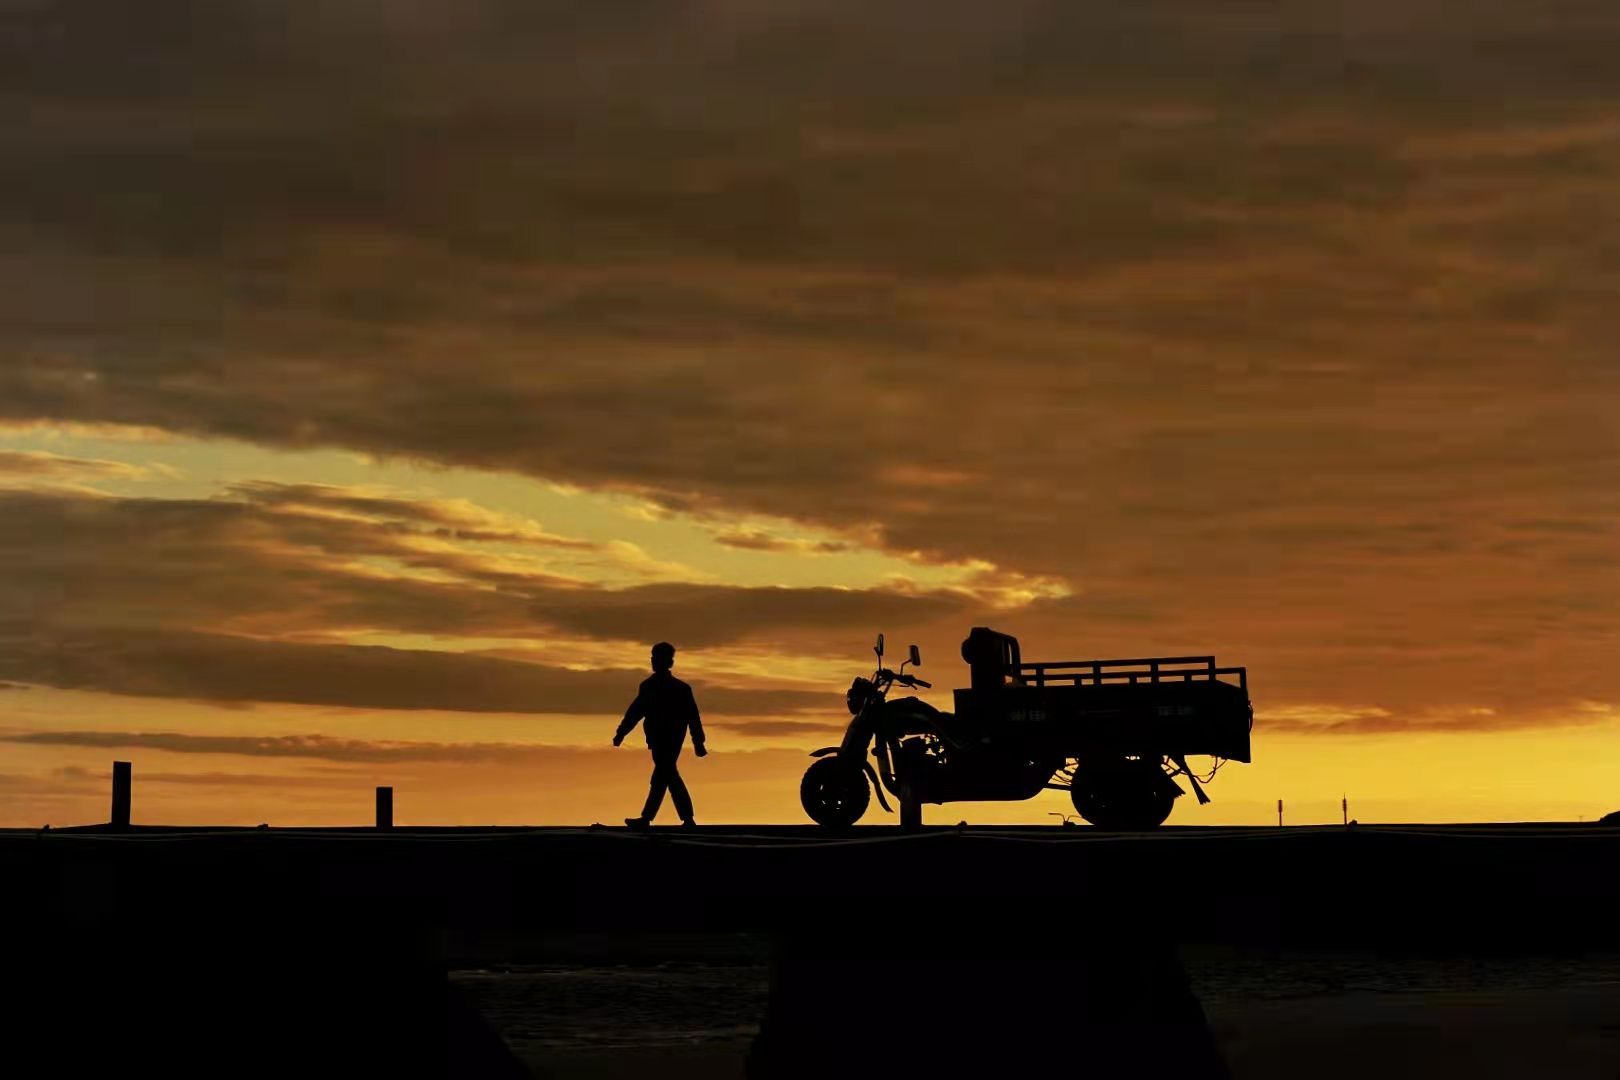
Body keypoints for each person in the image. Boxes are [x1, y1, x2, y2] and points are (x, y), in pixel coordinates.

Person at [613, 641, 706, 828]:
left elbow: (692, 716)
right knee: (665, 776)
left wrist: (698, 742)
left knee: (666, 775)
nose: (654, 662)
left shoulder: (680, 689)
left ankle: (666, 818)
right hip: (656, 739)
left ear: (668, 662)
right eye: (653, 658)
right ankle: (672, 819)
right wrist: (621, 732)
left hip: (671, 739)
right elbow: (636, 711)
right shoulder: (648, 687)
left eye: (658, 658)